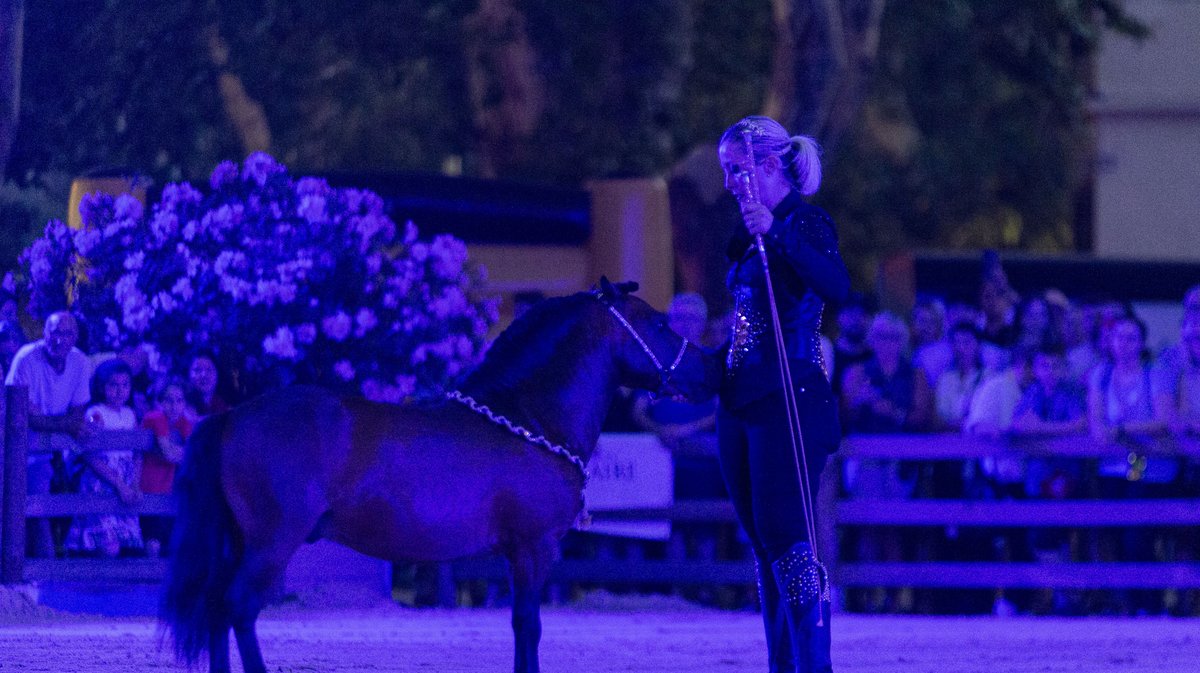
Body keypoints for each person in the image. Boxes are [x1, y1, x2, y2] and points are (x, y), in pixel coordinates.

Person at [716, 115, 849, 672]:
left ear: (769, 167)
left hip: (790, 398)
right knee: (764, 544)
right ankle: (782, 666)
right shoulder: (748, 236)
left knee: (789, 538)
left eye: (735, 171)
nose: (727, 184)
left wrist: (775, 228)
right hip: (743, 402)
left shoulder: (805, 221)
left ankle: (813, 668)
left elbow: (836, 286)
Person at [4, 312, 94, 557]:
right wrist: (65, 425)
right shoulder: (26, 359)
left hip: (50, 449)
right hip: (15, 446)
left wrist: (50, 422)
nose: (59, 340)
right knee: (26, 506)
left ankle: (44, 573)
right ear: (44, 334)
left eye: (66, 333)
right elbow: (21, 416)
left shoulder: (80, 363)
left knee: (39, 507)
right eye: (54, 333)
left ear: (74, 337)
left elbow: (78, 415)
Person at [65, 359, 143, 557]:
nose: (120, 390)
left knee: (123, 540)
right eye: (113, 385)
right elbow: (90, 455)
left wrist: (133, 483)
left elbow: (137, 452)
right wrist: (118, 483)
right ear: (102, 386)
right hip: (102, 478)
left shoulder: (130, 414)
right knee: (105, 539)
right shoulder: (96, 414)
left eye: (125, 385)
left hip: (126, 476)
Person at [139, 375, 192, 556]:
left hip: (170, 490)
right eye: (168, 400)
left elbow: (191, 453)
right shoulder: (155, 418)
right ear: (159, 402)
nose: (174, 406)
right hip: (150, 487)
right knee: (153, 539)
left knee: (171, 537)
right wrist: (182, 454)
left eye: (179, 400)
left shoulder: (184, 423)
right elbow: (169, 454)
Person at [183, 350, 231, 418]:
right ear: (188, 374)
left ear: (217, 374)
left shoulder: (223, 408)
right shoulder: (181, 408)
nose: (204, 375)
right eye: (197, 370)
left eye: (209, 369)